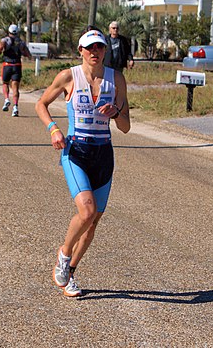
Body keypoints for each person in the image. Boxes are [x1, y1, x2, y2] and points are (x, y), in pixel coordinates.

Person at [35, 28, 130, 297]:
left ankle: (71, 272)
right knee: (86, 212)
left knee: (94, 221)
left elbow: (125, 126)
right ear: (81, 51)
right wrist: (53, 128)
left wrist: (116, 112)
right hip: (75, 151)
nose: (95, 52)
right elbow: (41, 104)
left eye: (99, 47)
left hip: (103, 154)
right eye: (89, 48)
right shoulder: (69, 76)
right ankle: (64, 255)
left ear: (105, 50)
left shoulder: (116, 79)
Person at [0, 24, 31, 117]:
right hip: (17, 65)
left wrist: (0, 51)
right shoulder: (21, 42)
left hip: (7, 65)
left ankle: (6, 99)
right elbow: (27, 53)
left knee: (5, 83)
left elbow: (0, 47)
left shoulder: (5, 40)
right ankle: (15, 107)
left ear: (8, 31)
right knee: (15, 87)